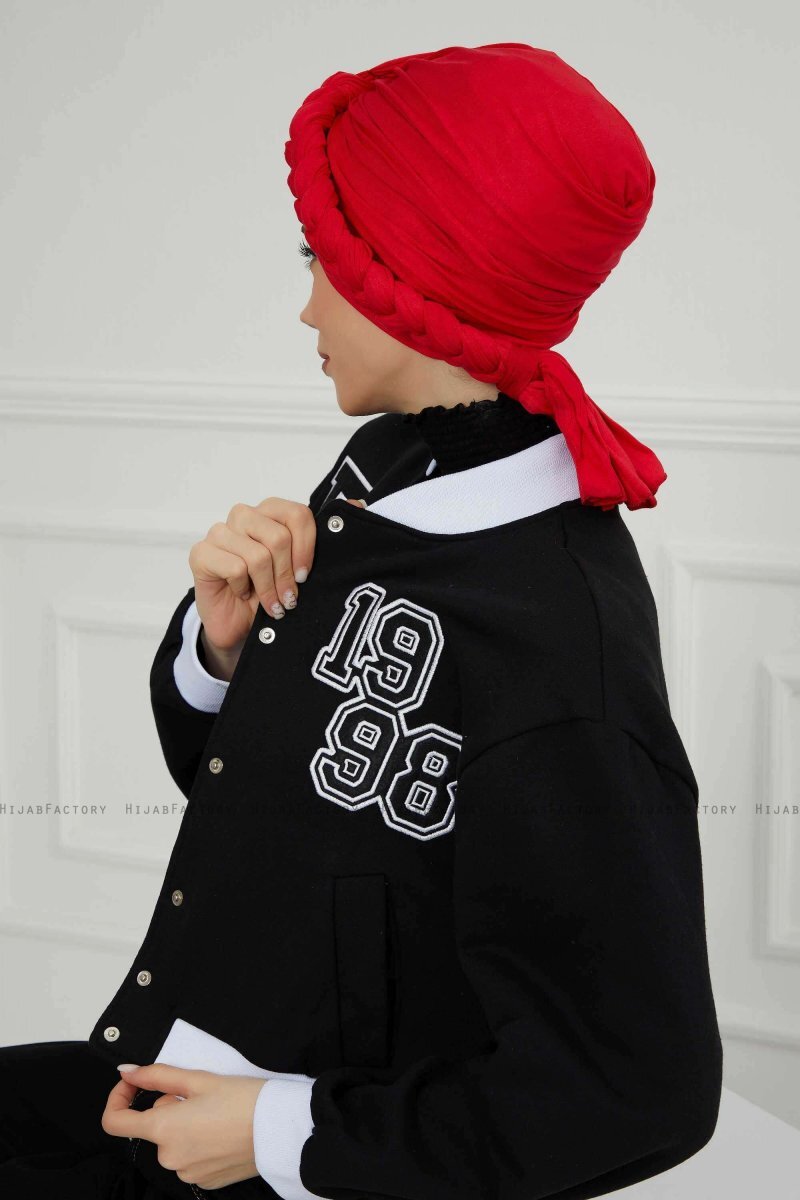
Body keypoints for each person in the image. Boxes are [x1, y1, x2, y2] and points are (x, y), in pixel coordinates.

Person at [0, 42, 723, 1200]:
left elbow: (637, 1090)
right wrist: (221, 650)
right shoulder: (386, 466)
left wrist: (279, 1135)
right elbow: (273, 799)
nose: (304, 305)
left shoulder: (557, 655)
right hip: (179, 1070)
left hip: (309, 1156)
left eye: (321, 260)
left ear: (413, 274)